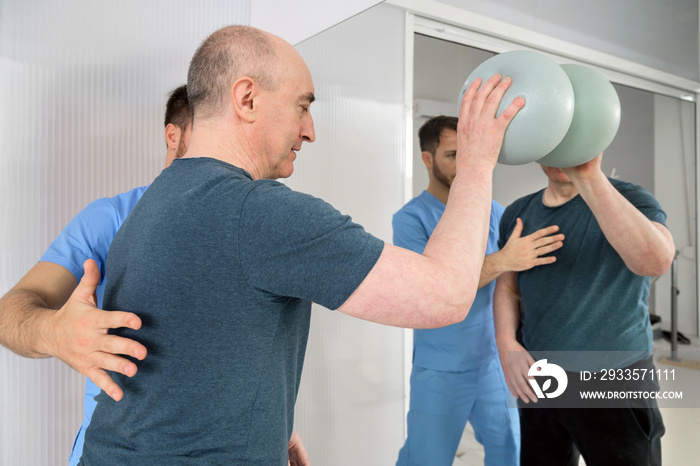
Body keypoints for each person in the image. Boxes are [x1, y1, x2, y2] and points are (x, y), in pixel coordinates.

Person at [76, 25, 524, 465]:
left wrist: (270, 424)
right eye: (302, 106)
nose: (309, 131)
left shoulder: (157, 198)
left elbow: (195, 343)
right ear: (247, 98)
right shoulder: (259, 211)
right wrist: (477, 163)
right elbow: (444, 297)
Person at [0, 85, 192, 465]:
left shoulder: (240, 228)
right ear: (174, 135)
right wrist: (54, 332)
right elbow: (9, 312)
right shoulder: (112, 218)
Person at [393, 115, 564, 466]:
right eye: (452, 155)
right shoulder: (411, 219)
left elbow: (511, 286)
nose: (464, 164)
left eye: (469, 154)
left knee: (510, 452)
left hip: (492, 363)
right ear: (428, 159)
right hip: (441, 368)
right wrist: (503, 260)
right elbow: (431, 290)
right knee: (425, 459)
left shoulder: (495, 213)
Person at [494, 157, 675, 465]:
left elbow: (656, 262)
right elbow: (509, 288)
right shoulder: (518, 213)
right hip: (542, 378)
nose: (560, 157)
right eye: (553, 148)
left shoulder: (632, 199)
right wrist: (506, 344)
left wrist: (589, 177)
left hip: (615, 377)